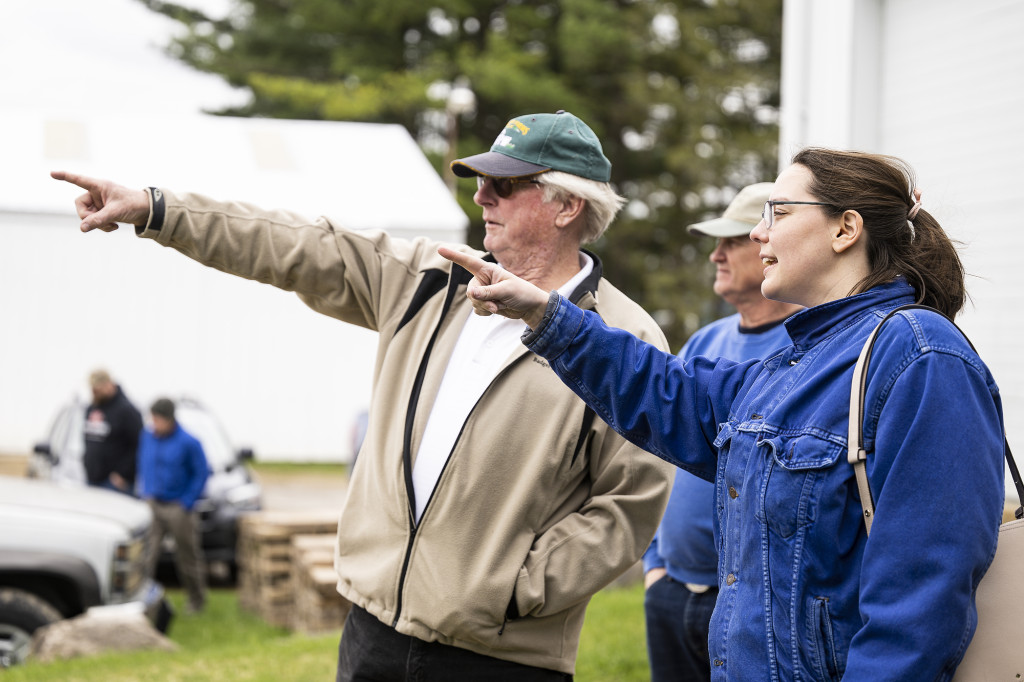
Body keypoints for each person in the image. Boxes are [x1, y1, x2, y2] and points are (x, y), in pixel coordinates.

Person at [51, 110, 674, 680]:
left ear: (566, 206)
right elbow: (294, 244)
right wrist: (158, 210)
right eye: (481, 180)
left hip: (502, 657)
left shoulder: (627, 338)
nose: (480, 194)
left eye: (505, 184)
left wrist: (511, 588)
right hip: (372, 633)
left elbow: (628, 505)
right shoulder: (430, 281)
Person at [439, 147, 1006, 681]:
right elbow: (668, 391)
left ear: (845, 229)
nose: (758, 232)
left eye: (778, 212)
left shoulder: (921, 358)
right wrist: (547, 314)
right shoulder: (795, 360)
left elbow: (920, 602)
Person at [642, 182, 802, 682]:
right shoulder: (705, 340)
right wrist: (654, 566)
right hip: (670, 590)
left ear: (767, 243)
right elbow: (663, 449)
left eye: (731, 241)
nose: (716, 254)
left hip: (750, 606)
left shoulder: (804, 347)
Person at [137, 397, 210, 614]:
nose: (154, 423)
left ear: (169, 419)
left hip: (178, 506)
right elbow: (143, 465)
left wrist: (187, 501)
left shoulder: (189, 442)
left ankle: (196, 600)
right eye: (152, 419)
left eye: (158, 419)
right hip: (153, 502)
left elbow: (201, 473)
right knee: (146, 554)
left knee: (187, 555)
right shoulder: (147, 437)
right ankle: (141, 601)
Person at [83, 368, 142, 494]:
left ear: (108, 385)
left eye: (97, 390)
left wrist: (123, 474)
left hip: (115, 484)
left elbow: (139, 445)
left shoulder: (127, 411)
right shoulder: (91, 409)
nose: (94, 393)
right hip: (91, 480)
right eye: (93, 390)